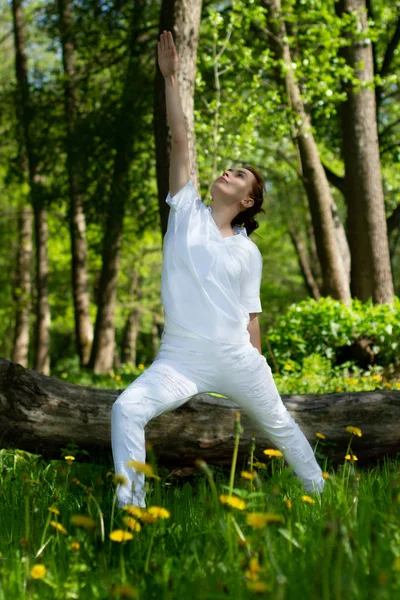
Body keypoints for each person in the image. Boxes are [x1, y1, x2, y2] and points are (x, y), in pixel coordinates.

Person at [111, 30, 325, 508]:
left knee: (283, 427)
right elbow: (180, 136)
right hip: (179, 358)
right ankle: (131, 513)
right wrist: (171, 78)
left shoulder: (249, 253)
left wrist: (258, 371)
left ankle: (325, 498)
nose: (228, 171)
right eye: (229, 168)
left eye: (240, 175)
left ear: (248, 200)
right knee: (126, 408)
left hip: (237, 360)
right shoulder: (184, 210)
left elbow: (252, 318)